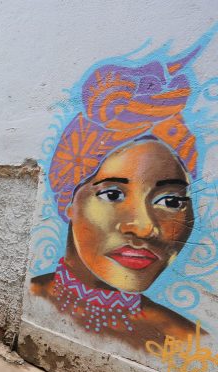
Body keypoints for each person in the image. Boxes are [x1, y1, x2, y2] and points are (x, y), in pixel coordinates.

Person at [31, 58, 201, 348]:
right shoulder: (26, 296)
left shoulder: (189, 344)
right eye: (113, 195)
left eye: (170, 201)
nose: (145, 227)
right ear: (69, 201)